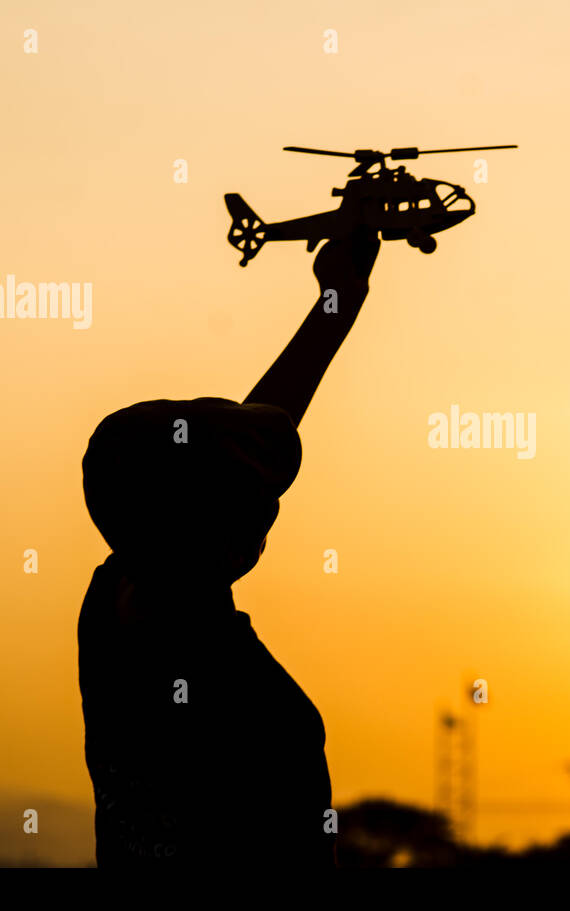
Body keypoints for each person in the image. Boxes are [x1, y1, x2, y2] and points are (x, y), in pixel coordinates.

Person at [76, 230, 379, 867]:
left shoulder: (113, 602)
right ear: (214, 527)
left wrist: (336, 303)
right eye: (248, 498)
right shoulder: (239, 693)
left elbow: (233, 456)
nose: (264, 510)